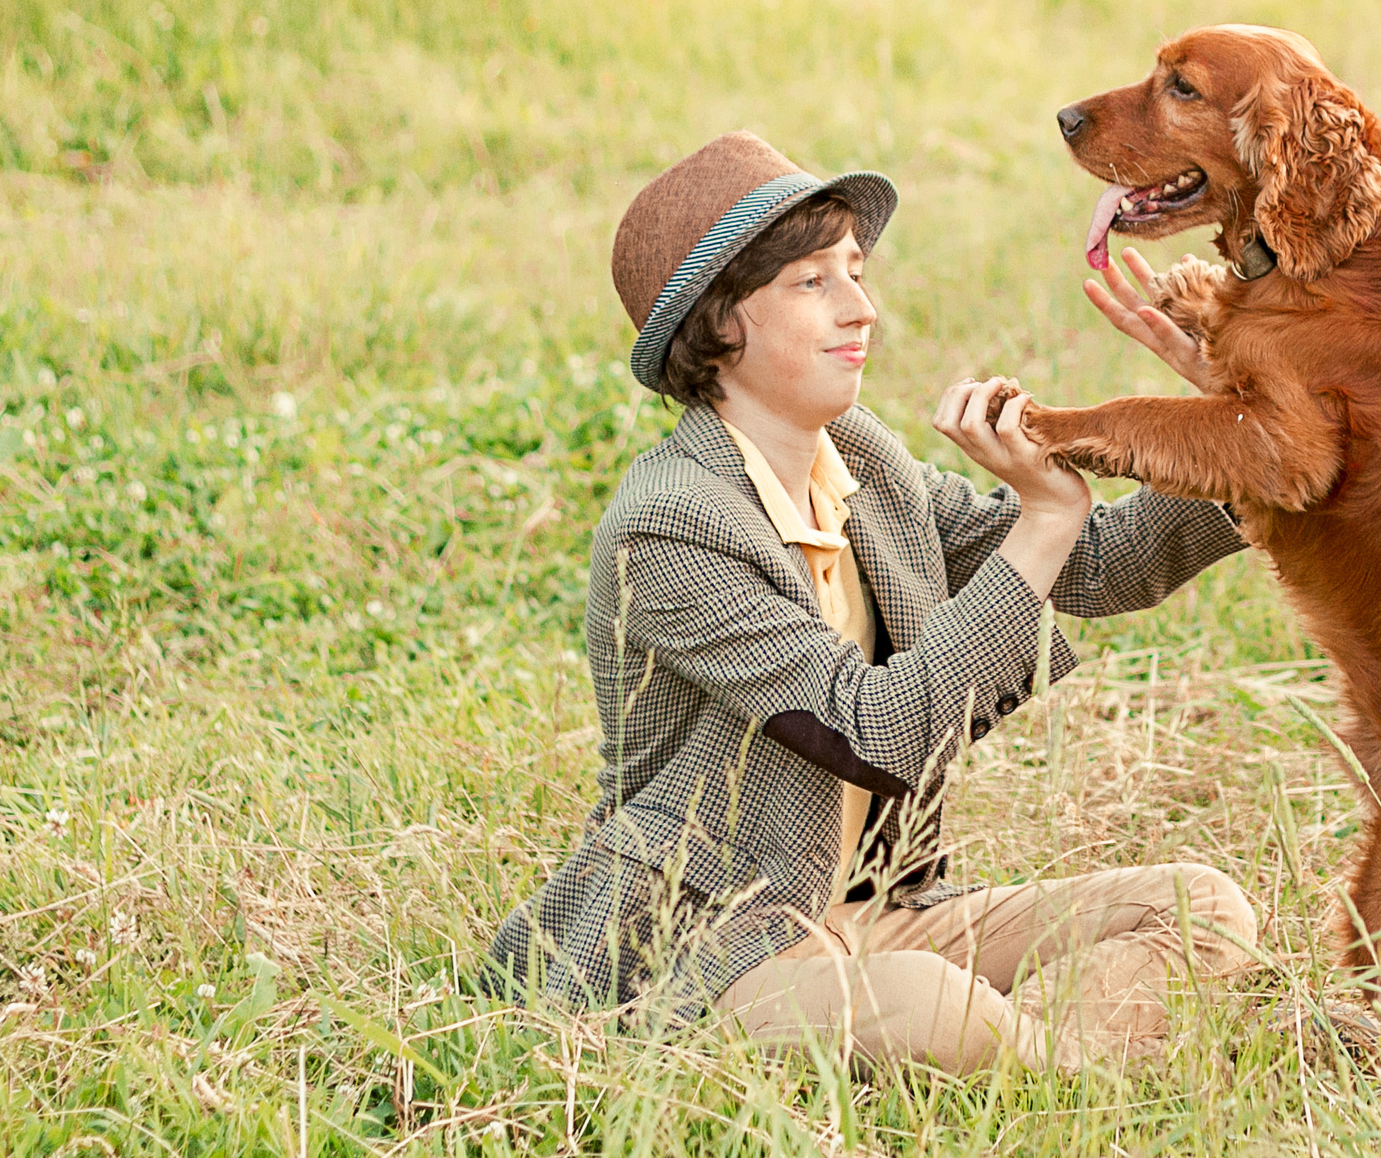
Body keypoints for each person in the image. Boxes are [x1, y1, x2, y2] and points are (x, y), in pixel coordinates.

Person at [485, 132, 1259, 1073]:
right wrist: (1045, 514)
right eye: (814, 281)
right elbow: (876, 732)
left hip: (872, 911)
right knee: (932, 1004)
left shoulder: (856, 454)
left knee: (1200, 903)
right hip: (708, 947)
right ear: (719, 322)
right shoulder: (670, 526)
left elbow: (1096, 565)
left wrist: (1238, 429)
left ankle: (1057, 1070)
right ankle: (1086, 1077)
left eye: (855, 269)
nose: (862, 307)